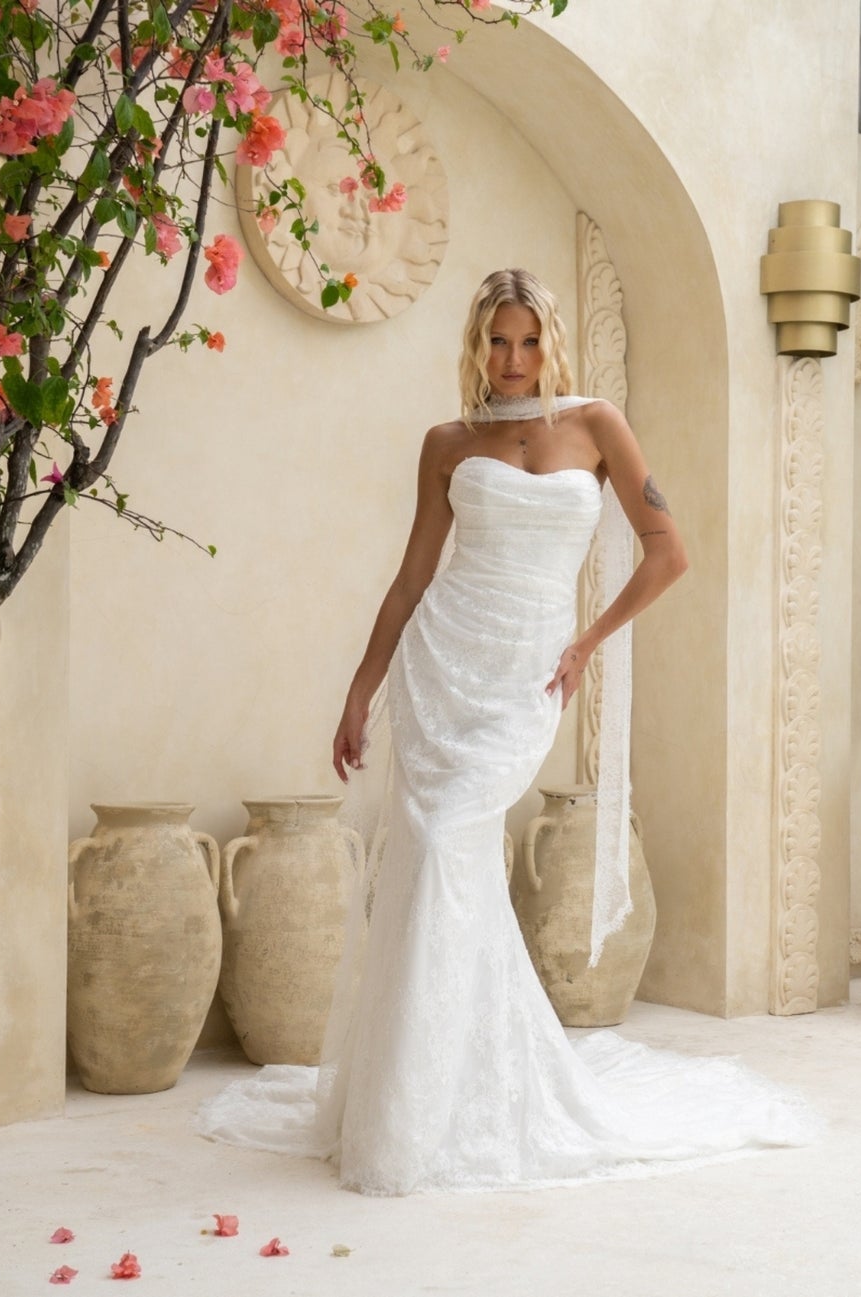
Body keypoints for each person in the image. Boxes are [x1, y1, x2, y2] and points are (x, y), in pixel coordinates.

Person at [196, 268, 818, 1195]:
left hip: (527, 672)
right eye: (497, 340)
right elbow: (412, 579)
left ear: (550, 341)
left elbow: (670, 552)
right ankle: (416, 1099)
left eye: (528, 340)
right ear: (477, 344)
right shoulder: (448, 442)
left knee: (452, 845)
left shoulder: (597, 424)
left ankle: (462, 1089)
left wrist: (587, 643)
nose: (514, 359)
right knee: (437, 856)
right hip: (442, 666)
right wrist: (362, 691)